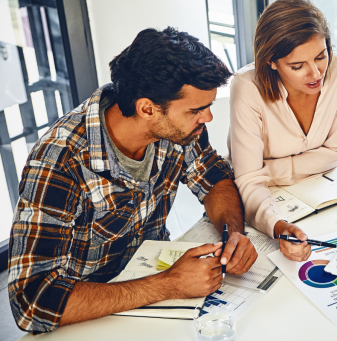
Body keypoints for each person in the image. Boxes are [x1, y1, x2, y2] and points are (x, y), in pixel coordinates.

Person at [8, 27, 258, 333]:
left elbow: (213, 177)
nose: (207, 119)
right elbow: (31, 300)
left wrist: (232, 234)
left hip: (157, 289)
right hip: (86, 314)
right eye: (197, 110)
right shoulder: (59, 161)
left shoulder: (178, 130)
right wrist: (167, 285)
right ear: (147, 109)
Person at [228, 0, 337, 262]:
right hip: (264, 203)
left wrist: (268, 171)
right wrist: (277, 225)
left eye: (321, 56)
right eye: (297, 66)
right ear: (272, 62)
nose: (315, 73)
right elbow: (249, 183)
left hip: (325, 195)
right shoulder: (247, 88)